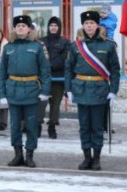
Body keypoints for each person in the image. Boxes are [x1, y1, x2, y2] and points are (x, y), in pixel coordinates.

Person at [65, 10, 120, 171]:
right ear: (83, 25)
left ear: (97, 25)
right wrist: (69, 89)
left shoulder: (108, 45)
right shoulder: (75, 46)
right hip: (81, 90)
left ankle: (96, 159)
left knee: (97, 127)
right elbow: (68, 69)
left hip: (100, 90)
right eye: (86, 23)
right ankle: (86, 158)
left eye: (92, 23)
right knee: (84, 127)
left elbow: (115, 71)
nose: (89, 26)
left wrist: (113, 91)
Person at [0, 15, 51, 168]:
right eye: (18, 25)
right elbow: (2, 74)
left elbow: (45, 72)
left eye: (23, 25)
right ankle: (17, 154)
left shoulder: (37, 47)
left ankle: (30, 155)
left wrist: (45, 91)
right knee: (14, 126)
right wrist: (2, 95)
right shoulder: (8, 48)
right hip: (13, 92)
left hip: (32, 92)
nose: (20, 28)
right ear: (14, 29)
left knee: (31, 125)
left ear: (29, 29)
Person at [39, 16, 69, 139]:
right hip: (43, 79)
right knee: (41, 103)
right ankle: (38, 125)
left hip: (58, 77)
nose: (53, 27)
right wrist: (44, 68)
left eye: (55, 25)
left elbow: (64, 58)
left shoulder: (65, 42)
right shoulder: (41, 41)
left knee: (55, 104)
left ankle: (52, 126)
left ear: (59, 27)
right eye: (51, 25)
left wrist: (49, 65)